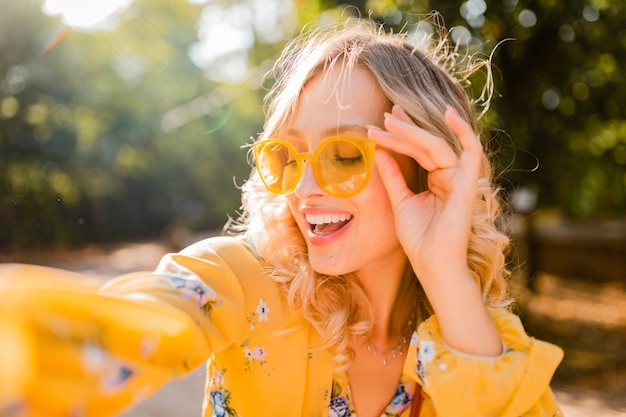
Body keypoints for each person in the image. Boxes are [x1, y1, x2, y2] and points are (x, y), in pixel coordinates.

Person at [0, 15, 563, 417]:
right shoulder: (240, 281)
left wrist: (444, 272)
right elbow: (139, 324)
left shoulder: (481, 339)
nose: (306, 188)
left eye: (345, 155)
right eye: (288, 158)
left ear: (426, 171)